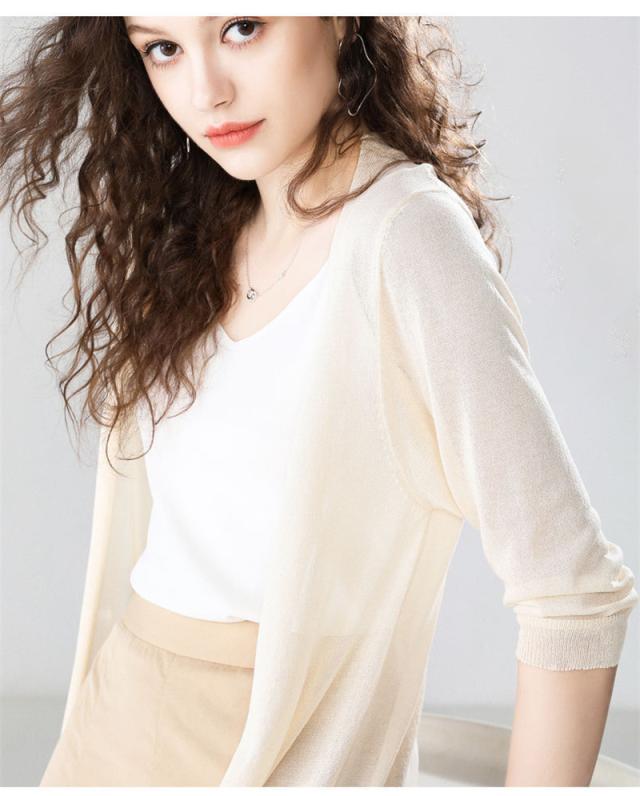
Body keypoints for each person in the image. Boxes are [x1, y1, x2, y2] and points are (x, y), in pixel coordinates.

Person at [1, 16, 637, 788]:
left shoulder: (406, 237)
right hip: (114, 719)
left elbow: (571, 591)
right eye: (162, 48)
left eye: (242, 27)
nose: (206, 92)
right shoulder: (206, 229)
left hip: (274, 747)